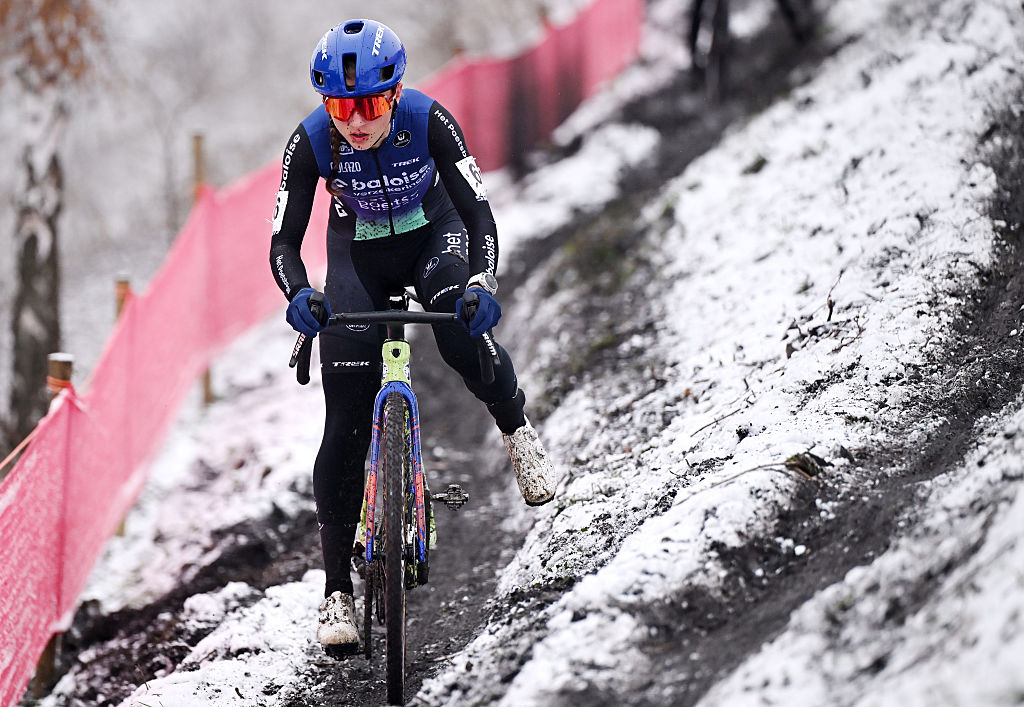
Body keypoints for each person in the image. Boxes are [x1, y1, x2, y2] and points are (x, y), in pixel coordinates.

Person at [268, 18, 557, 652]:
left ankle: (517, 432)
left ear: (395, 93)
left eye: (368, 103)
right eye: (340, 105)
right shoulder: (313, 141)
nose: (354, 120)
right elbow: (285, 240)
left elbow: (478, 211)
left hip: (436, 239)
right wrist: (299, 296)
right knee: (343, 417)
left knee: (460, 335)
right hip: (358, 259)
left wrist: (483, 282)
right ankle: (336, 591)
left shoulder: (430, 121)